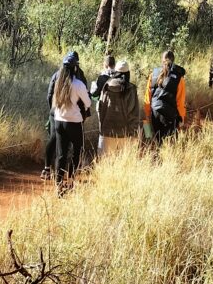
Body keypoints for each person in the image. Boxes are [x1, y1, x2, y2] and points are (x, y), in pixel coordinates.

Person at [41, 50, 87, 180]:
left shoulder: (57, 75)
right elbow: (85, 97)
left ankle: (49, 170)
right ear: (76, 63)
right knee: (74, 148)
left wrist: (54, 111)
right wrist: (82, 114)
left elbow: (49, 95)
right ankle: (68, 176)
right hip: (72, 116)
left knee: (56, 143)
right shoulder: (79, 76)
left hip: (57, 114)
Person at [51, 52, 91, 190]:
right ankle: (71, 180)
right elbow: (88, 103)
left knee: (61, 154)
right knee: (77, 152)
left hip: (58, 121)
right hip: (74, 122)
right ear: (75, 68)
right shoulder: (78, 84)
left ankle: (58, 184)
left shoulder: (58, 83)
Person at [97, 59, 141, 155]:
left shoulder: (106, 86)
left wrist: (102, 128)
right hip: (124, 134)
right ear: (128, 73)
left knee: (105, 164)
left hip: (106, 132)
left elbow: (100, 108)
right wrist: (134, 133)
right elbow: (134, 113)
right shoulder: (131, 89)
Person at [145, 50, 186, 145]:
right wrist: (181, 118)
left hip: (155, 113)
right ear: (173, 60)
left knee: (157, 142)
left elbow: (148, 97)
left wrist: (147, 115)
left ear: (162, 60)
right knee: (170, 144)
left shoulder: (153, 74)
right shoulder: (180, 78)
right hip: (170, 116)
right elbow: (180, 101)